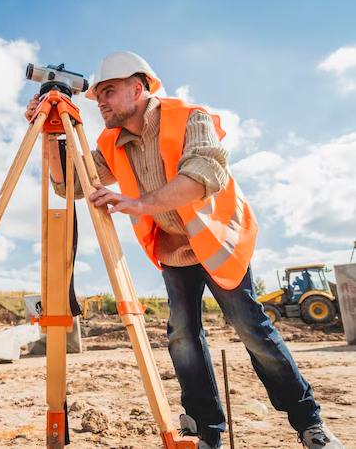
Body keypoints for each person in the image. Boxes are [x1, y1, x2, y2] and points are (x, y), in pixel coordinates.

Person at [24, 51, 343, 449]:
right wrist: (52, 135)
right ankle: (206, 432)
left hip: (217, 240)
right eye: (97, 94)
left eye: (108, 91)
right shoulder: (112, 141)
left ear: (138, 89)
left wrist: (139, 203)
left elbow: (203, 174)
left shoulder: (192, 117)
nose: (100, 101)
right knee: (182, 336)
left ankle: (309, 422)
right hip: (174, 249)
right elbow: (67, 184)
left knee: (252, 329)